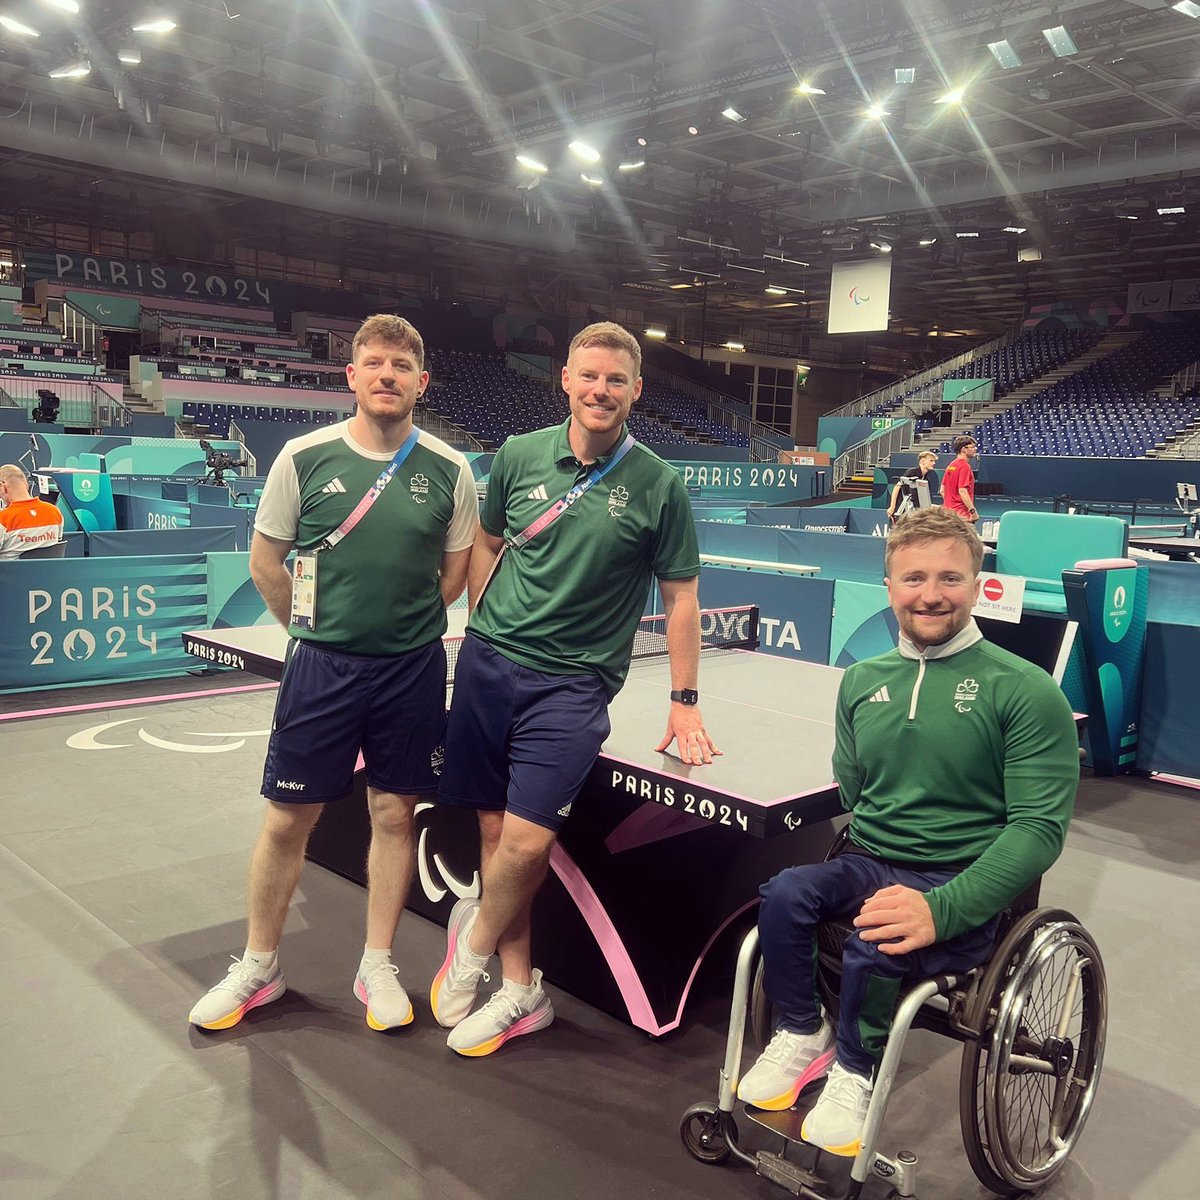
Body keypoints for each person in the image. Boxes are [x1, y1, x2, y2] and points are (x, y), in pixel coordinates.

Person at [736, 507, 1079, 1157]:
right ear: (888, 585)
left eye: (950, 577)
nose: (930, 594)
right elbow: (853, 791)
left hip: (962, 881)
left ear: (978, 583)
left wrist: (940, 908)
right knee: (784, 894)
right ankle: (805, 1033)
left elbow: (1038, 831)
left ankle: (856, 1075)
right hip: (872, 859)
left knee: (876, 936)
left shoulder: (1029, 693)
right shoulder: (862, 683)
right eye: (913, 577)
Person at [432, 320, 718, 1056]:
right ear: (565, 380)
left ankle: (470, 953)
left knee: (526, 845)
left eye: (615, 380)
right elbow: (490, 540)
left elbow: (681, 599)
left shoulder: (658, 483)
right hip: (490, 665)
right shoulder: (522, 455)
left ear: (635, 391)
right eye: (588, 377)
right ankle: (522, 989)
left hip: (574, 683)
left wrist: (683, 702)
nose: (601, 391)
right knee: (494, 836)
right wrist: (478, 623)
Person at [188, 314, 479, 1032]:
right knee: (288, 817)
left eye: (401, 367)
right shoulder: (303, 456)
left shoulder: (450, 468)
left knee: (393, 814)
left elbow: (453, 576)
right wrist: (315, 632)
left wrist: (394, 627)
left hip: (409, 670)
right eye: (374, 363)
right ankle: (259, 965)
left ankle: (377, 964)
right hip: (321, 669)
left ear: (421, 382)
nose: (387, 376)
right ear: (351, 375)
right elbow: (266, 561)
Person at [0, 463, 63, 558]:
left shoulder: (3, 519)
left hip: (10, 572)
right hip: (49, 572)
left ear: (2, 487)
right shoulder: (55, 512)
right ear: (26, 484)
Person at [885, 451, 938, 524]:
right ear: (923, 461)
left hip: (913, 511)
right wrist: (892, 507)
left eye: (934, 461)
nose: (934, 463)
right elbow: (897, 487)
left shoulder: (926, 479)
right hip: (901, 508)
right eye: (931, 461)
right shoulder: (912, 472)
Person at [941, 435, 978, 523]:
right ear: (963, 449)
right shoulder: (965, 467)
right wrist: (973, 511)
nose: (975, 449)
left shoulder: (951, 465)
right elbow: (962, 491)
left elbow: (942, 490)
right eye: (972, 447)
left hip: (948, 514)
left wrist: (951, 505)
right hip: (962, 516)